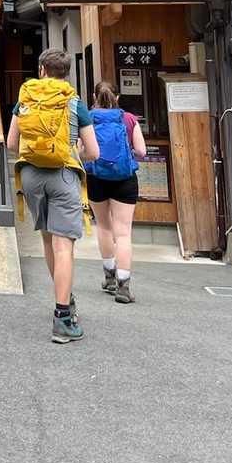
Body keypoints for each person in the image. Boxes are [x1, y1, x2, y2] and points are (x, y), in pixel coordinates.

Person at [6, 49, 99, 344]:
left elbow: (11, 143)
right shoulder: (74, 102)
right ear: (66, 72)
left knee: (48, 240)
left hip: (31, 176)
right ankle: (63, 316)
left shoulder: (27, 98)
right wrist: (75, 151)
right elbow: (93, 152)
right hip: (63, 175)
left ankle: (65, 297)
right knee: (63, 247)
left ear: (42, 69)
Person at [84, 82, 147, 304]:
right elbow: (141, 151)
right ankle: (124, 286)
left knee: (103, 226)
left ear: (94, 97)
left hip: (96, 178)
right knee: (123, 233)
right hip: (125, 179)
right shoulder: (128, 119)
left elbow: (82, 150)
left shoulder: (88, 118)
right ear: (117, 97)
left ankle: (109, 277)